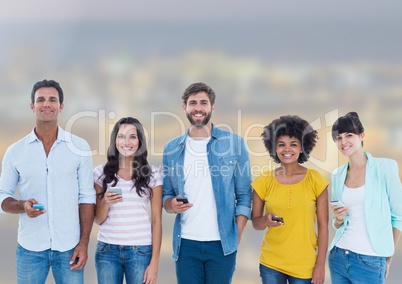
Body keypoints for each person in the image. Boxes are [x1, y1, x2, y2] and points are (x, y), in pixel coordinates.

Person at [0, 79, 95, 284]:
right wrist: (22, 206)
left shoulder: (79, 147)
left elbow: (86, 196)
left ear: (61, 106)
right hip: (30, 249)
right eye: (40, 99)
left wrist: (84, 243)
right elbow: (3, 198)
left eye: (52, 100)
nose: (46, 104)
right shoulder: (15, 152)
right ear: (32, 106)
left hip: (70, 247)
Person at [162, 82, 252, 284]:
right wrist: (171, 205)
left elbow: (245, 195)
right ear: (184, 107)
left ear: (212, 107)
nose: (198, 108)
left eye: (204, 102)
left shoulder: (234, 144)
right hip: (186, 243)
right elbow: (166, 195)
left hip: (221, 243)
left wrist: (235, 234)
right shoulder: (171, 148)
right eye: (192, 103)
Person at [251, 115, 329, 284]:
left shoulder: (316, 180)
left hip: (305, 264)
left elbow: (323, 226)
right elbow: (256, 224)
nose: (287, 149)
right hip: (271, 262)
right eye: (281, 144)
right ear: (274, 148)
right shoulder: (263, 181)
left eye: (293, 144)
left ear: (302, 148)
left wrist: (320, 265)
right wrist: (266, 220)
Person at [328, 111, 402, 284]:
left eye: (349, 135)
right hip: (339, 256)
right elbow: (337, 223)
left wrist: (388, 257)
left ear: (362, 135)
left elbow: (398, 216)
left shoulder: (385, 168)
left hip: (371, 261)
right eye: (338, 138)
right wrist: (338, 218)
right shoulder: (337, 175)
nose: (343, 142)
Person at [93, 117, 162, 284]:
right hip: (107, 251)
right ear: (115, 140)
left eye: (132, 136)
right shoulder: (100, 173)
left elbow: (156, 220)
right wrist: (106, 202)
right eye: (121, 136)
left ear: (140, 141)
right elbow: (98, 219)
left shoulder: (152, 173)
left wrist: (154, 263)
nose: (127, 142)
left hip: (140, 251)